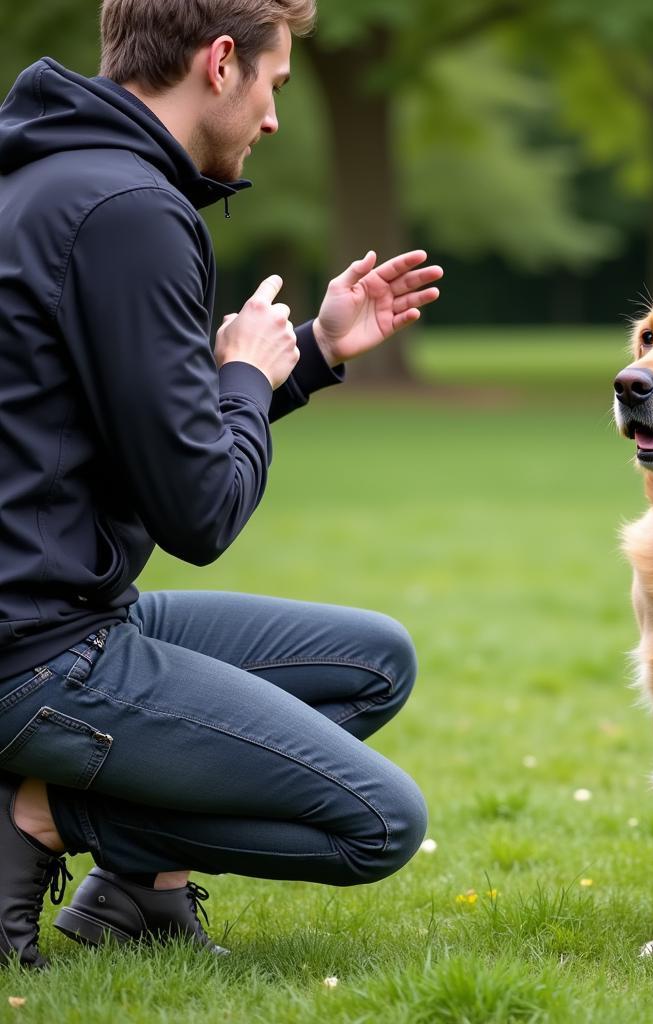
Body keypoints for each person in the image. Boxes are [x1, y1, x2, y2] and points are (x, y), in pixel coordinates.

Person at [0, 0, 442, 969]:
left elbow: (149, 446)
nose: (275, 119)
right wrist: (241, 369)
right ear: (221, 62)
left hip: (71, 612)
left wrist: (316, 353)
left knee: (373, 662)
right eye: (275, 87)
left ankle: (136, 898)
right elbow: (200, 512)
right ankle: (41, 810)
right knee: (379, 822)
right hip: (36, 652)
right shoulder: (129, 214)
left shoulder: (59, 178)